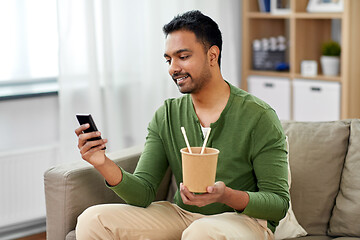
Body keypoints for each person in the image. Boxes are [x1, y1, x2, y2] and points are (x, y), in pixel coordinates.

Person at [75, 10, 289, 240]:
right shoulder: (167, 115)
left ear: (212, 56)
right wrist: (102, 162)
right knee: (92, 219)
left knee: (201, 232)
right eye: (168, 59)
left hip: (244, 221)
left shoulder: (259, 116)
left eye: (183, 57)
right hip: (183, 215)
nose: (172, 68)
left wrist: (225, 195)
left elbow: (278, 203)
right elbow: (143, 193)